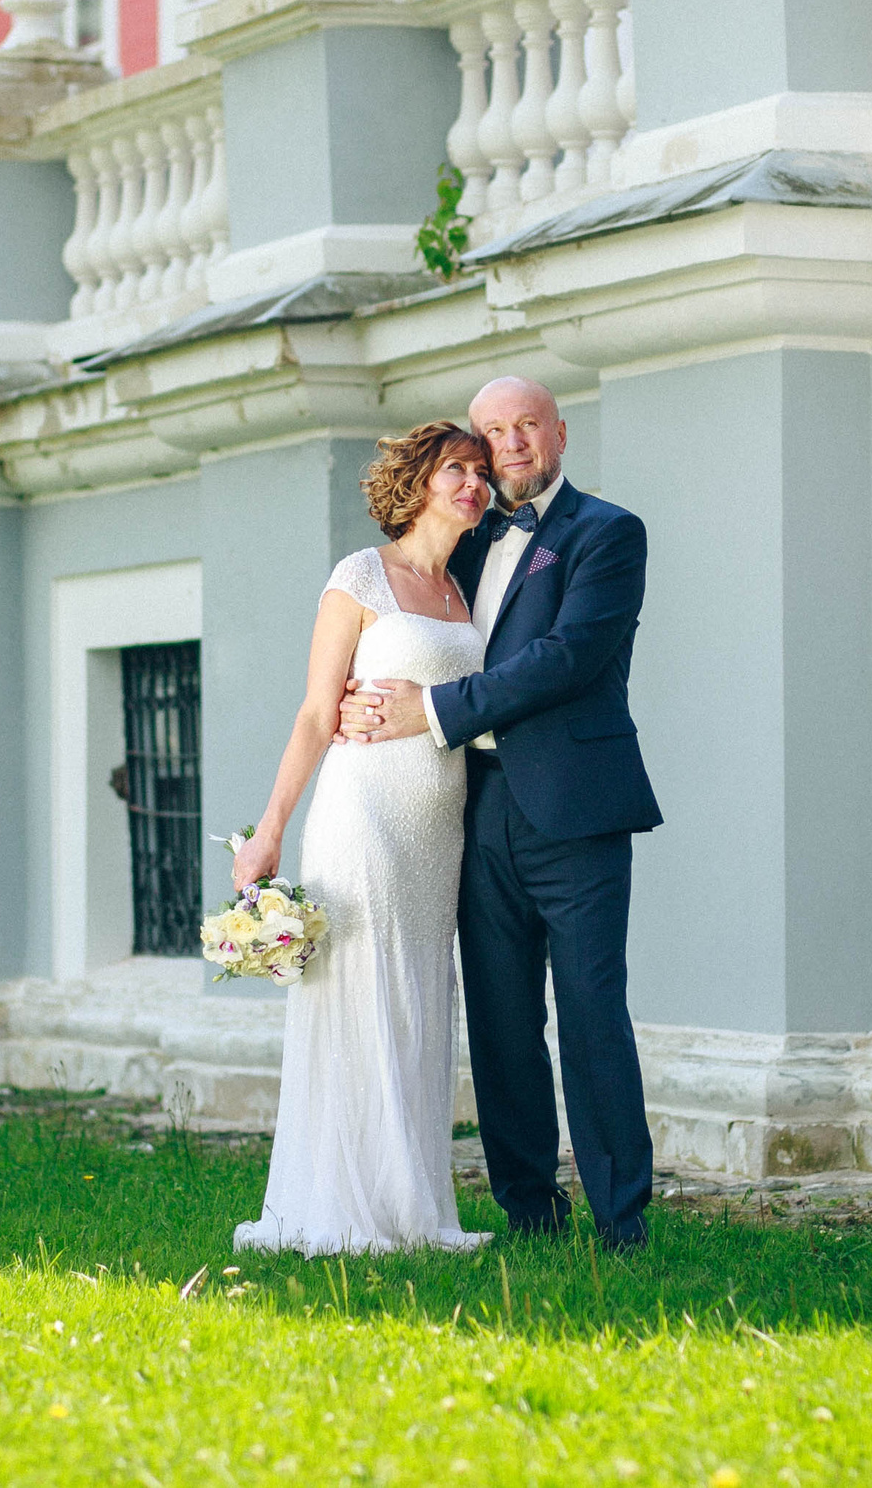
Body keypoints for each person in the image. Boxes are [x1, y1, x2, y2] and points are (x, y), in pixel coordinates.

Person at [339, 376, 661, 1251]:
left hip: (578, 811)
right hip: (472, 813)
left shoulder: (608, 533)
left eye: (526, 425)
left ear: (557, 431)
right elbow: (401, 623)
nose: (510, 443)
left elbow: (568, 657)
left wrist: (432, 713)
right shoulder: (470, 543)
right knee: (501, 1017)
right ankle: (529, 1211)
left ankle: (621, 1221)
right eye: (493, 432)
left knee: (593, 1011)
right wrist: (353, 704)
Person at [230, 420, 498, 1255]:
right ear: (418, 482)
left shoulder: (469, 591)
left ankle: (415, 1207)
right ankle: (342, 1206)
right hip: (363, 816)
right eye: (457, 468)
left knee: (418, 999)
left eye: (482, 473)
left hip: (438, 828)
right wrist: (268, 830)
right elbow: (317, 711)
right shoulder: (360, 576)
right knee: (363, 997)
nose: (474, 485)